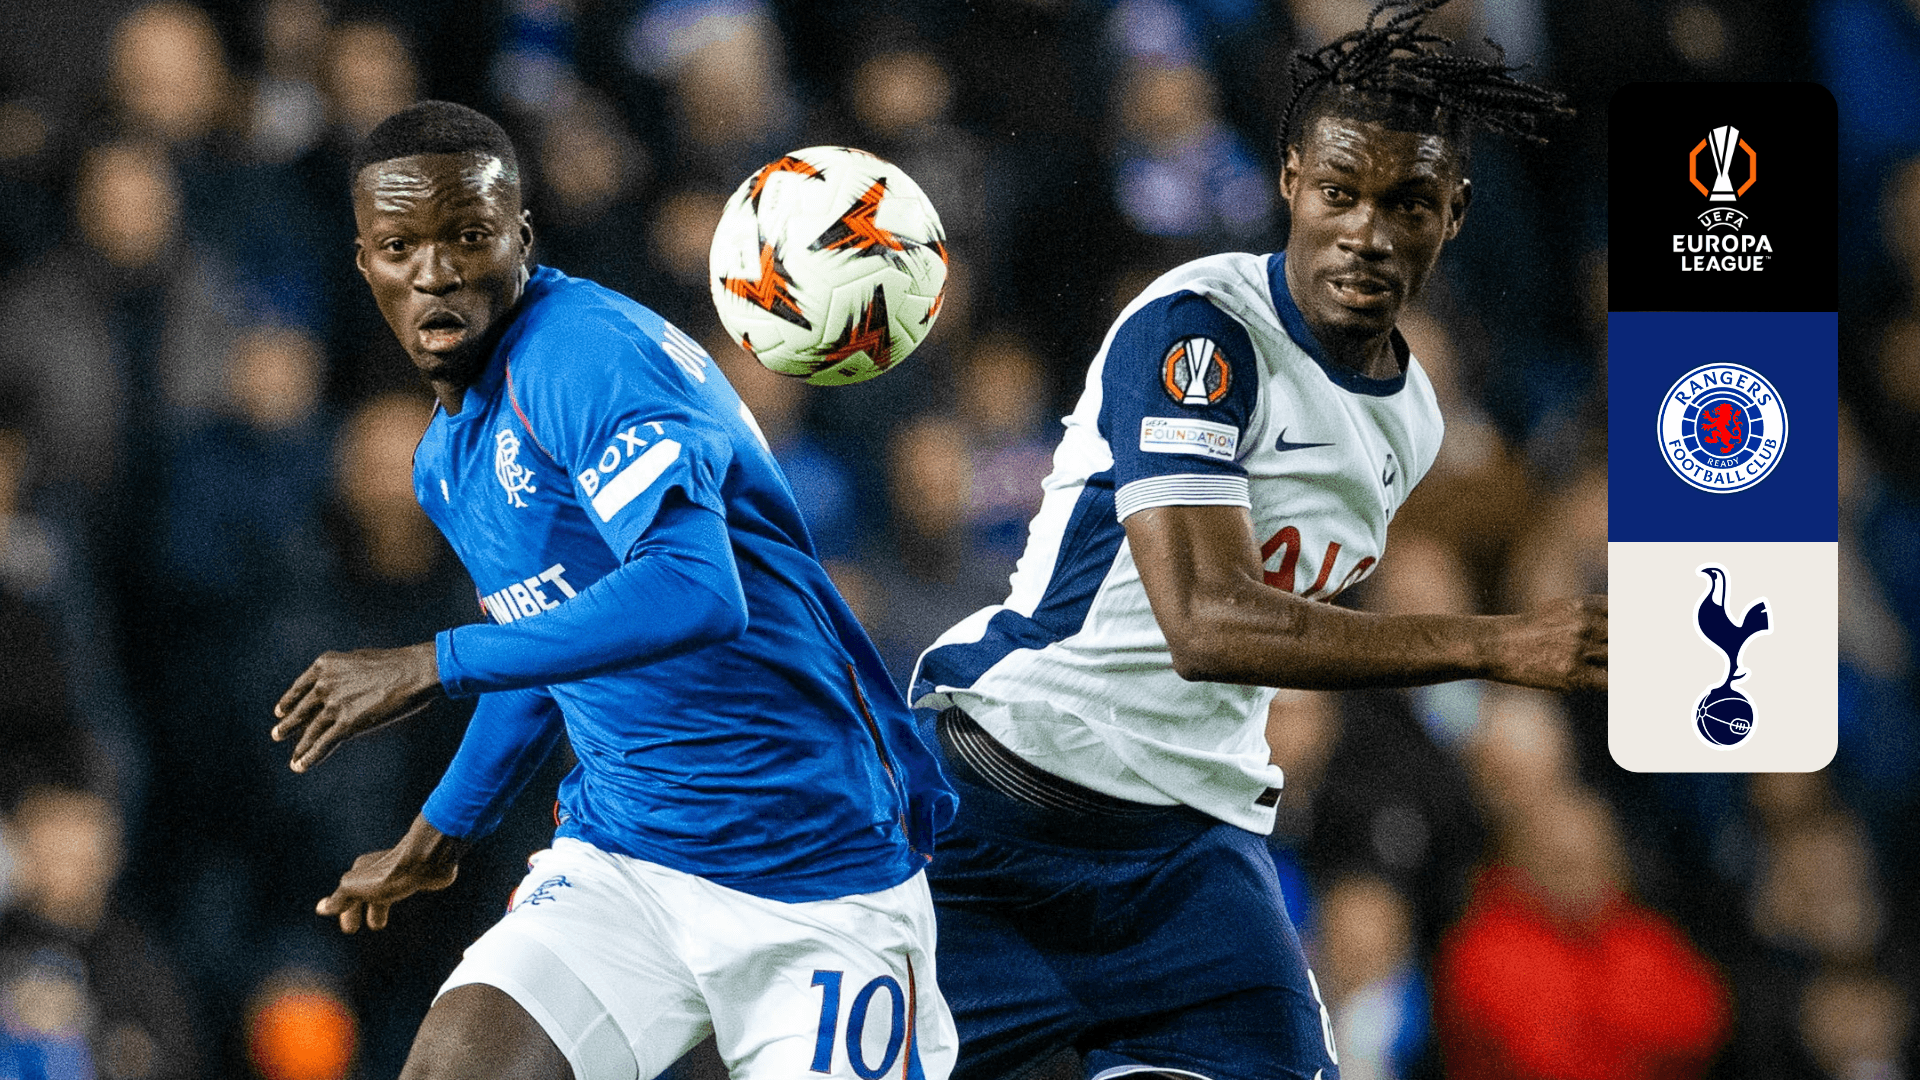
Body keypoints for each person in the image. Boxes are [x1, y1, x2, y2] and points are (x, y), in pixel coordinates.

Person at [908, 3, 1603, 1078]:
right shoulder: (1200, 328)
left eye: (1409, 203)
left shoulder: (1413, 419)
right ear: (1290, 181)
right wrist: (1494, 642)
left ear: (1456, 213)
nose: (1368, 232)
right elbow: (1207, 624)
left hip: (1188, 854)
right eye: (1340, 192)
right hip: (1006, 813)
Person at [268, 100, 957, 1080]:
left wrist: (436, 660)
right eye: (398, 246)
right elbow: (547, 648)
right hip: (624, 861)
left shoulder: (583, 354)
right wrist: (442, 830)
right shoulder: (444, 462)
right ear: (364, 264)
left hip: (815, 862)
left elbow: (695, 589)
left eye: (467, 236)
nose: (435, 273)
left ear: (521, 239)